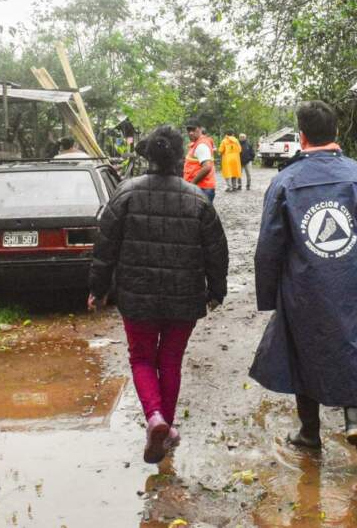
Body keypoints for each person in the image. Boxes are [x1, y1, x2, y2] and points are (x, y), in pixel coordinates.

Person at [250, 101, 357, 461]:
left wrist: (270, 296)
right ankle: (355, 420)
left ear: (301, 136)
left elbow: (269, 245)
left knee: (303, 349)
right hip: (356, 281)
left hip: (303, 286)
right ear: (336, 132)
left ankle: (309, 432)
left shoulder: (285, 182)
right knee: (356, 343)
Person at [88, 125, 229, 464]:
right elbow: (217, 251)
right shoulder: (197, 199)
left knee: (141, 359)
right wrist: (216, 291)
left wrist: (98, 288)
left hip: (137, 296)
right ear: (181, 158)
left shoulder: (125, 193)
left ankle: (154, 418)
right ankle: (166, 425)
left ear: (148, 157)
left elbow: (105, 247)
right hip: (185, 297)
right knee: (170, 360)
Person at [183, 119, 217, 203]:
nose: (191, 133)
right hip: (200, 188)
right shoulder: (196, 143)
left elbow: (207, 167)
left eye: (193, 129)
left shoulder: (201, 145)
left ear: (200, 129)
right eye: (189, 130)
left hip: (202, 188)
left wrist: (191, 185)